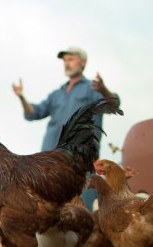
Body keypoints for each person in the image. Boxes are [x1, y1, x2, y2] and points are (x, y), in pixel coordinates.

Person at [13, 46, 120, 208]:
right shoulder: (57, 94)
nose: (66, 63)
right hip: (51, 159)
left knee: (81, 207)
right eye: (64, 60)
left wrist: (103, 89)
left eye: (70, 59)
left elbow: (114, 104)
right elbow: (33, 113)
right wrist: (21, 97)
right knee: (49, 206)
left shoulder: (92, 88)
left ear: (83, 62)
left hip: (79, 158)